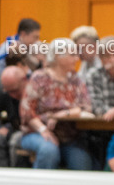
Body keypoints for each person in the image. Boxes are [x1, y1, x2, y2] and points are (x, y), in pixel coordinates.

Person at [19, 38, 95, 170]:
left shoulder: (76, 80)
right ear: (57, 57)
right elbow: (27, 112)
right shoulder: (39, 78)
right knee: (49, 151)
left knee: (83, 162)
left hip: (70, 137)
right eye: (72, 55)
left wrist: (63, 114)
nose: (77, 58)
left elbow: (86, 108)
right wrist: (43, 130)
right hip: (37, 132)